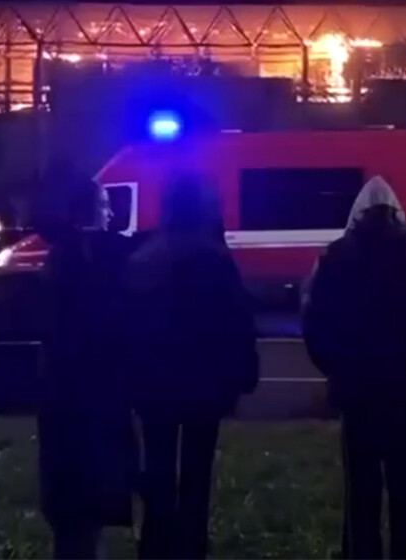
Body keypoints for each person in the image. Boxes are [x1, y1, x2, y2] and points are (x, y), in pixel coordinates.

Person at [303, 176, 406, 560]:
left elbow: (314, 321)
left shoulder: (336, 256)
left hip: (357, 390)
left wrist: (334, 368)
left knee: (361, 492)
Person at [128, 175, 259, 560]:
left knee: (158, 471)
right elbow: (237, 320)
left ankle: (155, 546)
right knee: (197, 473)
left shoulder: (144, 258)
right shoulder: (215, 258)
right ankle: (191, 546)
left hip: (154, 386)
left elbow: (126, 324)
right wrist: (242, 372)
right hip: (204, 384)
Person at [34, 171, 137, 559]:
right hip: (91, 398)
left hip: (62, 398)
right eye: (105, 205)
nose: (110, 214)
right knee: (86, 506)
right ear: (90, 210)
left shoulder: (60, 257)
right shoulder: (94, 257)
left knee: (73, 514)